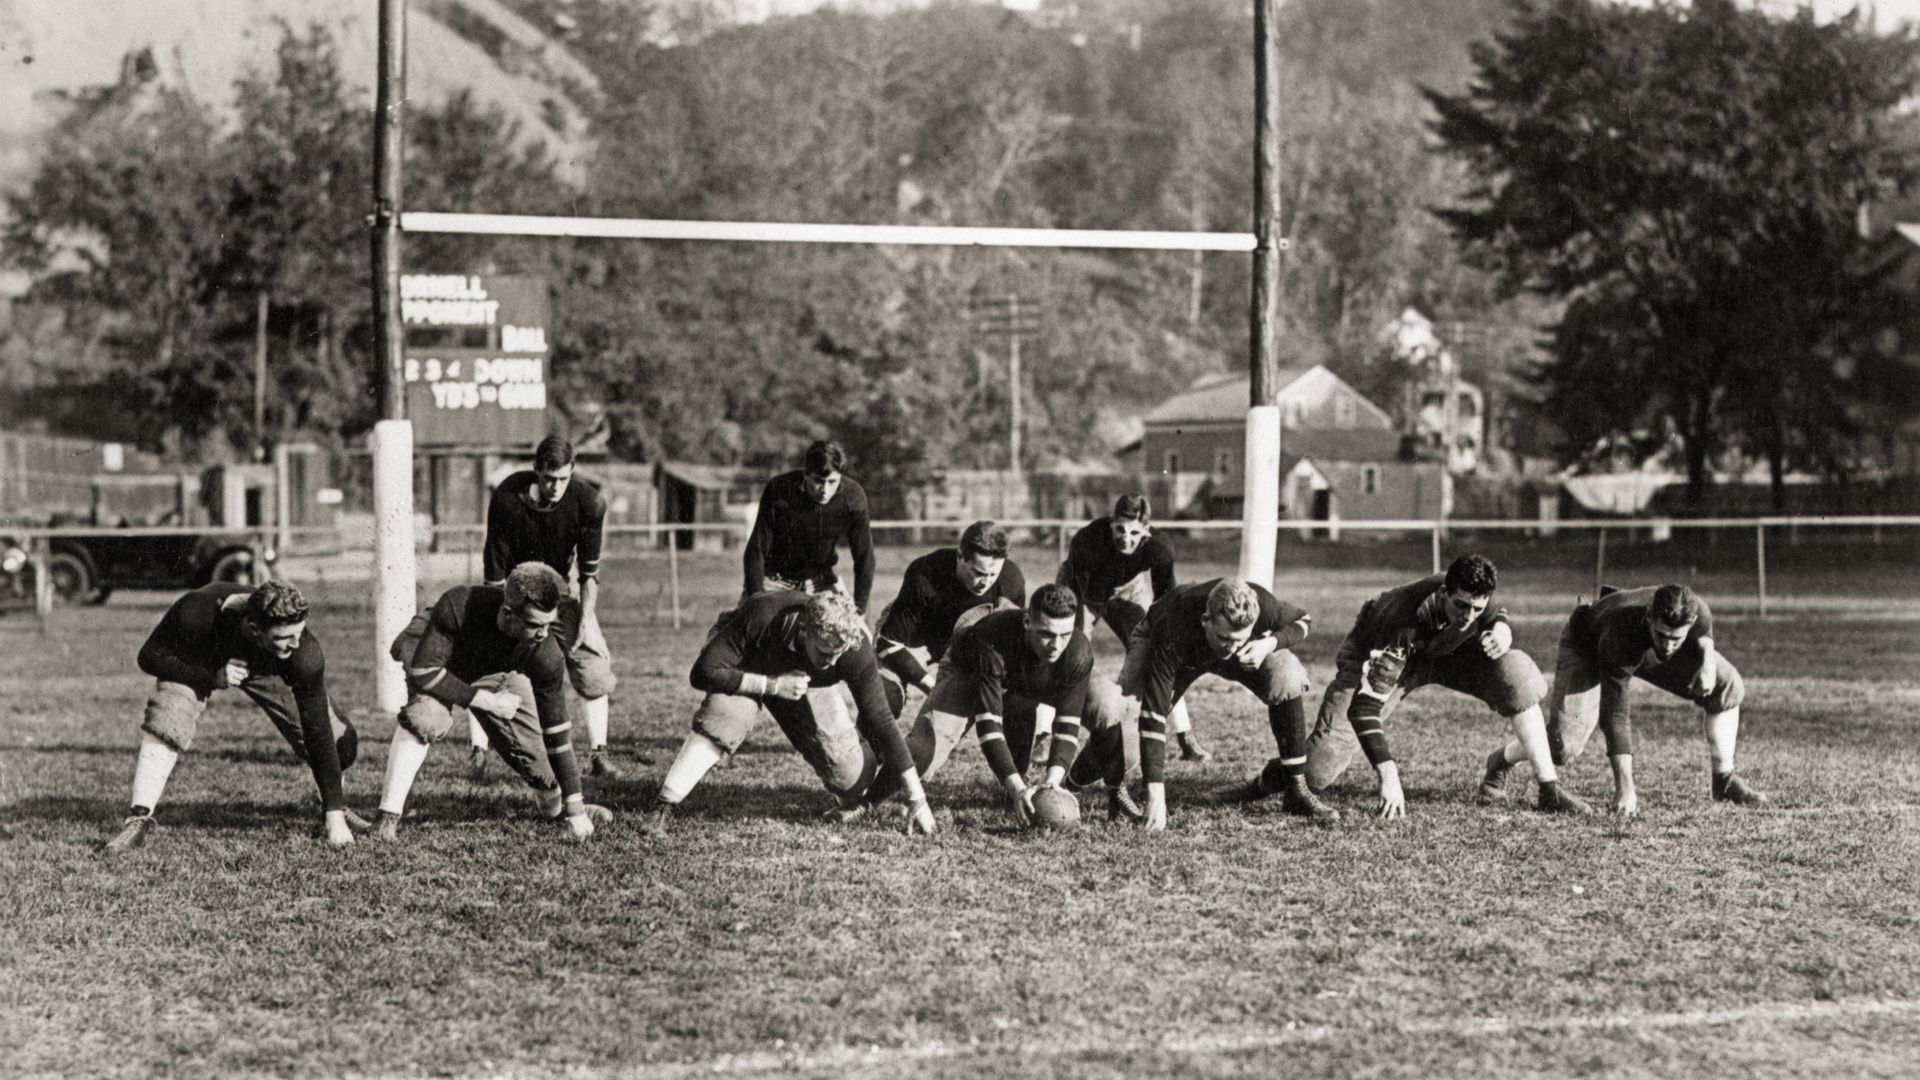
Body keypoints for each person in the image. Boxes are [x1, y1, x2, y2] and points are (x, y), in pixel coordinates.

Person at [1290, 555, 1589, 818]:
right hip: (1383, 653)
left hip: (1444, 652)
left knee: (1515, 672)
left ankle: (1549, 789)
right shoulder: (1404, 622)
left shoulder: (1471, 599)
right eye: (1461, 606)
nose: (1468, 616)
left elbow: (1492, 609)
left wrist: (1501, 628)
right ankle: (1273, 777)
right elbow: (1364, 707)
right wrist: (1389, 773)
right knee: (1316, 771)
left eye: (1476, 609)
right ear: (1444, 592)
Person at [640, 590, 933, 836]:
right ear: (804, 629)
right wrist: (771, 685)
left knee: (851, 777)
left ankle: (852, 755)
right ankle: (662, 806)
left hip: (799, 683)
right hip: (748, 665)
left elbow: (880, 718)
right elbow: (703, 672)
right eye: (823, 652)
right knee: (726, 719)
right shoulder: (763, 613)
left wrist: (917, 798)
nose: (831, 663)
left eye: (837, 654)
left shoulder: (852, 648)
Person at [105, 579, 365, 853]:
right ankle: (139, 818)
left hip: (264, 667)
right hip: (202, 658)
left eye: (299, 633)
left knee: (340, 743)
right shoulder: (197, 612)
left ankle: (327, 804)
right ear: (255, 629)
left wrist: (334, 815)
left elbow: (317, 729)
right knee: (169, 717)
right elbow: (149, 655)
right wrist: (209, 677)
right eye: (283, 637)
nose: (295, 643)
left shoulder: (302, 651)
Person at [1479, 584, 1768, 815]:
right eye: (1662, 634)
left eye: (1676, 639)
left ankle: (1724, 781)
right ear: (1650, 617)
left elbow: (1702, 619)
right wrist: (1625, 788)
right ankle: (1500, 760)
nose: (1668, 645)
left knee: (1726, 683)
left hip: (1641, 648)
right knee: (1562, 746)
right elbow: (1615, 713)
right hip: (1590, 647)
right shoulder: (1622, 633)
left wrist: (1706, 662)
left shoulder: (1691, 610)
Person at [374, 562, 612, 842]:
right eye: (535, 624)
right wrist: (484, 701)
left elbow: (557, 732)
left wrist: (575, 810)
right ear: (507, 613)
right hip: (441, 658)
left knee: (540, 760)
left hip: (492, 669)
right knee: (426, 717)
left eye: (549, 624)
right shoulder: (458, 605)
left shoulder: (545, 652)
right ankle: (386, 818)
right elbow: (425, 671)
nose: (544, 634)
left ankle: (559, 810)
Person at [1073, 578, 1333, 829]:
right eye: (1225, 639)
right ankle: (1080, 784)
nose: (1231, 648)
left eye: (1238, 639)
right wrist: (1156, 795)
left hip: (1226, 643)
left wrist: (1268, 643)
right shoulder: (1175, 624)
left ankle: (1296, 786)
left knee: (1286, 674)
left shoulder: (1258, 603)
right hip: (1175, 646)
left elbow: (1303, 619)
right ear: (1205, 620)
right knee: (1127, 723)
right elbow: (1154, 713)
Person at [863, 584, 1094, 826]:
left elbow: (1068, 723)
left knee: (1105, 709)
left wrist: (1053, 781)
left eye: (1064, 635)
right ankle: (866, 802)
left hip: (1023, 675)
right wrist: (1016, 788)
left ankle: (1018, 783)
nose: (1056, 645)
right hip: (969, 668)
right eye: (1047, 633)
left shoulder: (1078, 651)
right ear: (1027, 622)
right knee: (924, 749)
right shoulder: (991, 640)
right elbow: (989, 726)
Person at [474, 435, 627, 778]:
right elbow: (494, 571)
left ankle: (599, 754)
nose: (555, 487)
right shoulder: (507, 497)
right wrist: (501, 617)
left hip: (559, 594)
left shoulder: (588, 503)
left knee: (593, 664)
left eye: (563, 479)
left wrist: (587, 621)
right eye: (548, 478)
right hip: (514, 592)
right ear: (536, 471)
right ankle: (478, 750)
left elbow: (589, 573)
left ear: (573, 471)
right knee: (489, 659)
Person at [1057, 494, 1209, 762]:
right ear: (1111, 523)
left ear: (1146, 532)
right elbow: (1076, 596)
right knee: (1065, 651)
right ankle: (1044, 736)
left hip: (1129, 591)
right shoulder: (1088, 539)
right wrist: (1074, 634)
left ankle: (1185, 736)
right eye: (1120, 529)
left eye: (1134, 532)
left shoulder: (1160, 549)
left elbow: (1167, 604)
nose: (1126, 537)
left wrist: (1165, 635)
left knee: (1159, 651)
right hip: (1085, 590)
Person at [873, 520, 1027, 713]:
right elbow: (887, 644)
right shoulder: (925, 573)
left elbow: (1015, 646)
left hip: (962, 643)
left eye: (993, 574)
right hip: (915, 639)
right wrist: (931, 686)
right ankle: (863, 742)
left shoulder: (1010, 581)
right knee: (886, 696)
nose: (985, 582)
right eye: (979, 573)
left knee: (1020, 700)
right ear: (960, 556)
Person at [742, 439, 876, 613]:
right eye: (818, 481)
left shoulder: (853, 497)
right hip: (773, 581)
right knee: (741, 633)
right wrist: (756, 599)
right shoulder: (779, 489)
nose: (825, 490)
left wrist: (860, 611)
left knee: (854, 636)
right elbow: (757, 549)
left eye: (832, 482)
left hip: (821, 584)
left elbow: (865, 558)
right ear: (805, 473)